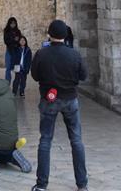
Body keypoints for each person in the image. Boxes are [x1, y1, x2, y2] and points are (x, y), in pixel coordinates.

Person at [30, 19, 89, 191]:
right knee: (76, 140)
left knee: (45, 140)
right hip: (70, 99)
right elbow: (83, 76)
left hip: (49, 99)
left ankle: (41, 184)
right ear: (65, 35)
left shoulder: (41, 54)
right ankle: (82, 184)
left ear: (50, 34)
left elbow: (34, 75)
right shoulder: (74, 54)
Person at [3, 17, 21, 83]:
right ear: (9, 24)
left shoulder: (18, 31)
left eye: (14, 23)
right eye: (11, 23)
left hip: (16, 51)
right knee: (8, 68)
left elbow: (20, 41)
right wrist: (14, 39)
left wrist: (16, 40)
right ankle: (7, 84)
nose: (13, 25)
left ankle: (16, 85)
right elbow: (6, 41)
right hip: (9, 51)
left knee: (17, 68)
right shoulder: (6, 31)